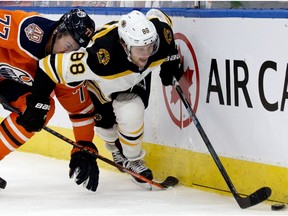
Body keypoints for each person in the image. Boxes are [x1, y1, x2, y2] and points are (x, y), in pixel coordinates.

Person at [17, 9, 183, 188]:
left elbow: (159, 17)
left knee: (131, 111)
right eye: (140, 49)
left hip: (134, 79)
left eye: (150, 47)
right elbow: (47, 67)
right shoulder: (99, 58)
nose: (146, 54)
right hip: (102, 84)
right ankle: (115, 149)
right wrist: (38, 103)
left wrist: (171, 63)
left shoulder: (161, 36)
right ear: (125, 45)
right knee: (107, 127)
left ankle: (133, 160)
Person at [0, 8, 98, 191]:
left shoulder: (66, 66)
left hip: (10, 84)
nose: (67, 54)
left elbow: (80, 111)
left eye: (76, 50)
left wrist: (84, 146)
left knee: (41, 110)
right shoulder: (27, 30)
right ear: (58, 31)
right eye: (68, 45)